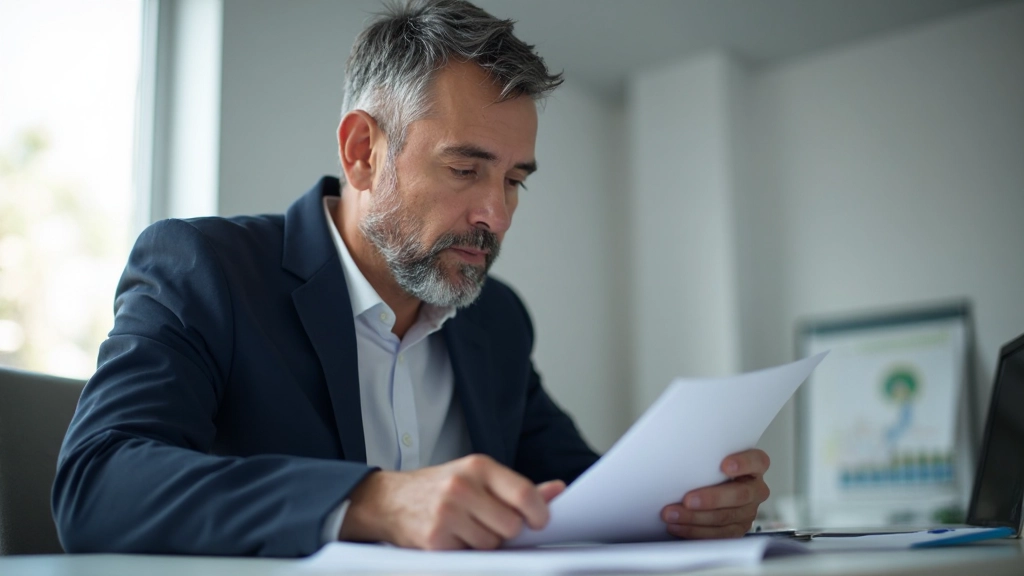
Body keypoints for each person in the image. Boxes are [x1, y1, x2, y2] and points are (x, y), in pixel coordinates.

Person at [52, 0, 771, 557]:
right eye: (465, 169)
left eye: (515, 179)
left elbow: (579, 493)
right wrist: (373, 502)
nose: (496, 215)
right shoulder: (203, 270)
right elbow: (96, 485)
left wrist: (680, 510)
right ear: (363, 151)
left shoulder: (496, 320)